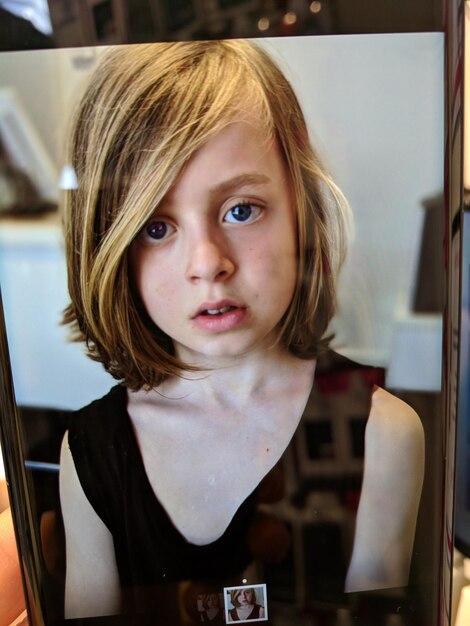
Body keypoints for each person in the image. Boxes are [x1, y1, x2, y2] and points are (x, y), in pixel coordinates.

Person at [59, 40, 425, 621]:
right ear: (110, 245)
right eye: (156, 226)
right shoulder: (91, 453)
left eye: (241, 210)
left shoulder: (383, 433)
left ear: (301, 212)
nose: (207, 262)